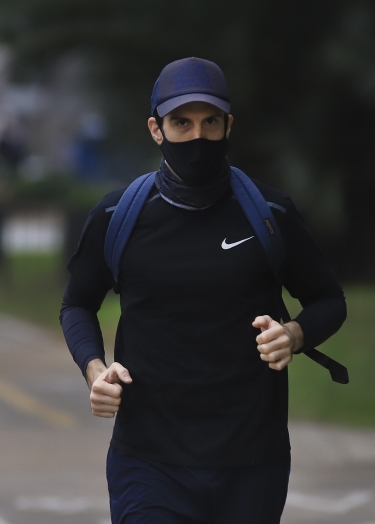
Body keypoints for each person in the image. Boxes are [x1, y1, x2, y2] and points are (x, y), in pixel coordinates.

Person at [60, 57, 346, 523]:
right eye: (181, 122)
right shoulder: (118, 217)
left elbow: (329, 301)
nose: (197, 137)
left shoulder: (269, 213)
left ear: (228, 125)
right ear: (156, 129)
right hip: (148, 460)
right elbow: (77, 303)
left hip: (252, 460)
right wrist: (95, 370)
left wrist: (293, 335)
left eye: (210, 122)